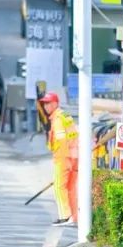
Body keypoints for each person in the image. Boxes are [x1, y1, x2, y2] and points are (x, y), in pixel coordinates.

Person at [40, 92, 78, 227]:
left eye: (48, 103)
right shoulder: (65, 116)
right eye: (44, 104)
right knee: (71, 188)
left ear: (55, 103)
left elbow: (61, 142)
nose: (46, 106)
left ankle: (64, 216)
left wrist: (62, 162)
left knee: (59, 187)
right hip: (74, 155)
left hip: (63, 157)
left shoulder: (57, 120)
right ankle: (74, 216)